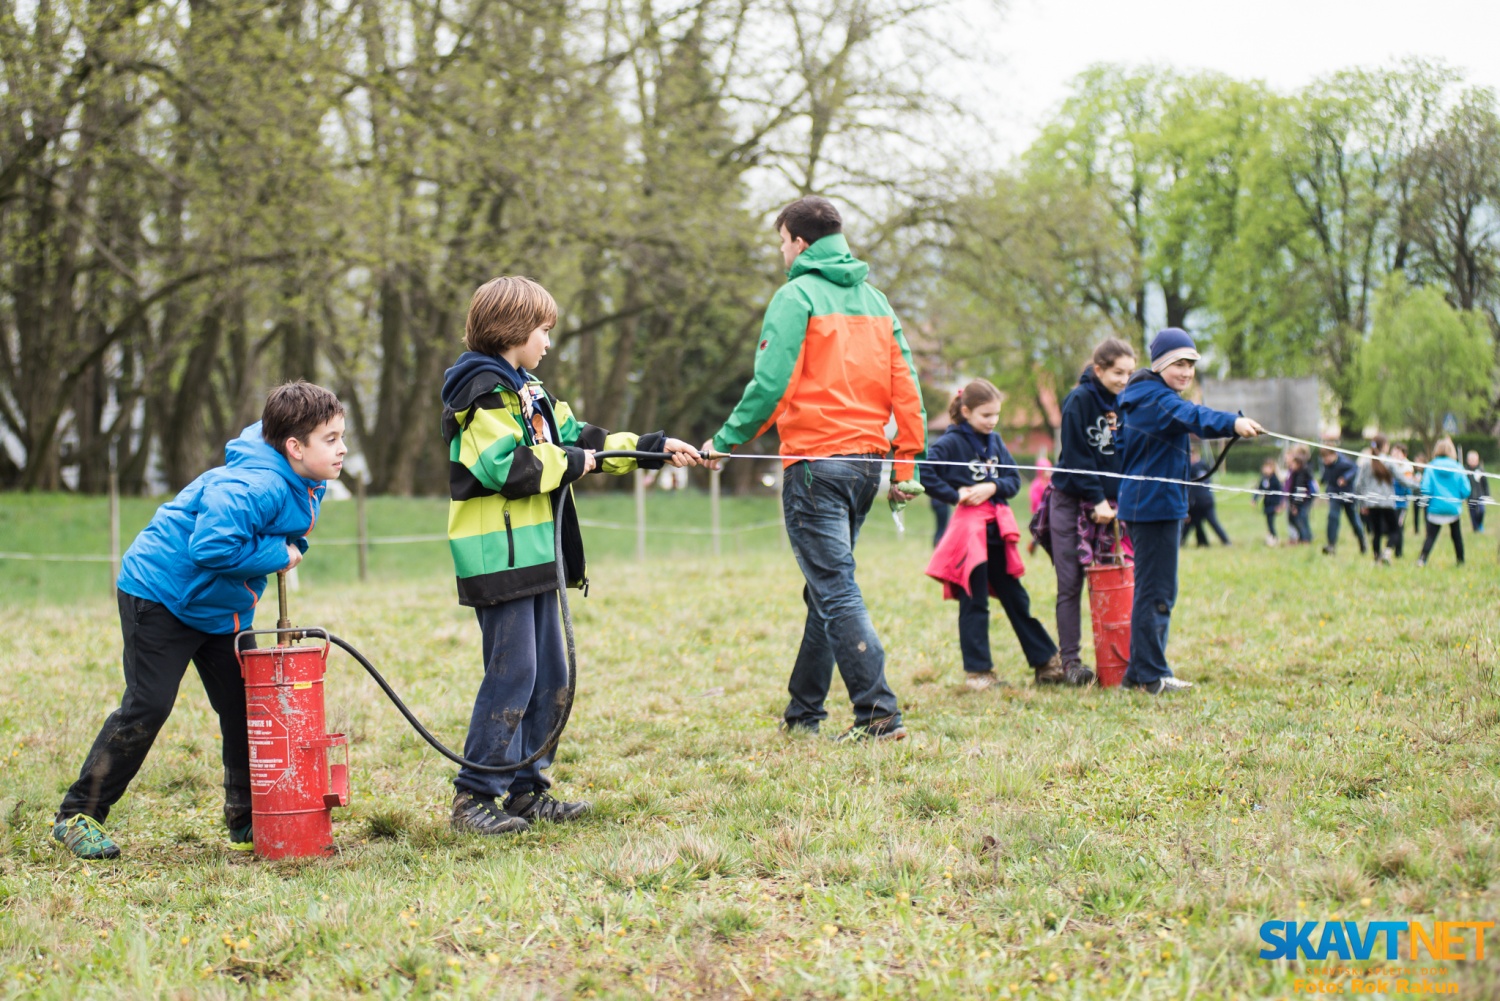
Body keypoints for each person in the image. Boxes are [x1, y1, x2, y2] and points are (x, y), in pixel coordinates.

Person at [441, 276, 700, 835]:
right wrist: (574, 460)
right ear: (512, 329)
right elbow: (507, 468)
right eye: (543, 330)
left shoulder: (527, 389)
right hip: (500, 558)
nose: (548, 343)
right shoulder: (480, 392)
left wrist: (655, 449)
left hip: (538, 555)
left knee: (551, 674)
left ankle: (527, 791)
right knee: (514, 674)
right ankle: (474, 798)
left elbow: (580, 436)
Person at [52, 382, 346, 860]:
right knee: (148, 705)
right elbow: (210, 546)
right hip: (161, 594)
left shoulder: (303, 476)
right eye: (331, 438)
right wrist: (278, 553)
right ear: (295, 446)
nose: (342, 448)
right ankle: (77, 816)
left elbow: (283, 534)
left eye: (341, 436)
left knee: (246, 708)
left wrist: (286, 549)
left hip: (221, 608)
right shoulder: (253, 485)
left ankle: (249, 816)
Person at [702, 196, 925, 741]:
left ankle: (878, 713)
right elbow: (908, 391)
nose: (781, 252)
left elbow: (770, 385)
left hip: (815, 468)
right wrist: (901, 469)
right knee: (823, 588)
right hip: (866, 466)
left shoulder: (794, 295)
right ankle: (804, 713)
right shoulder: (877, 302)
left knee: (835, 587)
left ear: (800, 242)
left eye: (781, 241)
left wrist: (725, 441)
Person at [1115, 328, 1262, 695]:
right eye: (1179, 364)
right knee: (1157, 591)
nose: (1186, 372)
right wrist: (1233, 423)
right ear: (1161, 363)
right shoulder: (1156, 399)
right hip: (1153, 507)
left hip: (1153, 504)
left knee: (1153, 589)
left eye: (1192, 365)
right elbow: (1192, 415)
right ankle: (1152, 676)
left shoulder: (1146, 396)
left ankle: (1138, 673)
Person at [924, 381, 1064, 690]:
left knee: (1016, 598)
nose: (992, 421)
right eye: (986, 415)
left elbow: (1013, 480)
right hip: (968, 534)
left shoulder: (996, 441)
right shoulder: (950, 444)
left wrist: (992, 486)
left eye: (996, 415)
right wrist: (954, 493)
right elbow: (926, 473)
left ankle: (1047, 663)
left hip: (997, 531)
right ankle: (979, 673)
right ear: (966, 411)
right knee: (974, 602)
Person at [1048, 337, 1136, 683]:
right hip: (1072, 501)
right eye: (1118, 372)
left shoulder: (1126, 401)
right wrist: (1096, 498)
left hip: (1114, 507)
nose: (1124, 379)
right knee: (1070, 582)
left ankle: (1122, 656)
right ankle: (1070, 662)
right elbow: (1076, 455)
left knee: (1119, 579)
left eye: (1129, 372)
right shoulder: (1078, 401)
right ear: (1098, 369)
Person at [1417, 438, 1471, 567]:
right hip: (1453, 509)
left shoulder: (1430, 467)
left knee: (1430, 536)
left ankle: (1422, 559)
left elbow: (1425, 489)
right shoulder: (1458, 467)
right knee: (1456, 536)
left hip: (1435, 508)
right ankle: (1461, 560)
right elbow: (1466, 490)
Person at [1356, 434, 1400, 565]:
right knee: (1395, 530)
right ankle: (1387, 551)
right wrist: (1418, 484)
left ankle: (1377, 559)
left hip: (1372, 503)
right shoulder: (1389, 461)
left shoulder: (1366, 462)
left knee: (1377, 532)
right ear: (1385, 446)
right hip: (1387, 503)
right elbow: (1401, 479)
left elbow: (1358, 485)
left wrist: (1363, 503)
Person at [1320, 445, 1366, 555]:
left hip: (1348, 495)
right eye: (1324, 458)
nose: (1325, 461)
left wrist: (1345, 478)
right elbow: (1327, 477)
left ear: (1333, 455)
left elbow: (1355, 468)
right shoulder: (1327, 464)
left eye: (1327, 458)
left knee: (1354, 521)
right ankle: (1331, 545)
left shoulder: (1344, 462)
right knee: (1332, 517)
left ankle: (1362, 541)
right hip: (1334, 495)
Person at [1181, 445, 1231, 546]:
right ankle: (1199, 542)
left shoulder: (1197, 466)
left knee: (1212, 522)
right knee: (1192, 523)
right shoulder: (1196, 466)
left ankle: (1225, 541)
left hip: (1204, 501)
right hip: (1196, 502)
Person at [1285, 447, 1316, 544]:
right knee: (1296, 519)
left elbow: (1300, 490)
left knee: (1301, 519)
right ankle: (1303, 537)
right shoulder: (1295, 473)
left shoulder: (1301, 475)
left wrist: (1295, 505)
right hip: (1297, 501)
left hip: (1302, 501)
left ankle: (1306, 539)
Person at [1025, 455, 1052, 554]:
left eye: (1050, 470)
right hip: (1039, 512)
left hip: (1050, 511)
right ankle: (1032, 546)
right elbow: (1035, 499)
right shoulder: (1036, 484)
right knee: (1039, 532)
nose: (1049, 473)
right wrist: (1041, 508)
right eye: (1046, 471)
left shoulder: (1051, 483)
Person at [1257, 457, 1283, 547]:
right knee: (1268, 522)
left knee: (1271, 522)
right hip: (1266, 505)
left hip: (1273, 505)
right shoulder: (1264, 478)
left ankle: (1274, 537)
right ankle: (1271, 536)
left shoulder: (1275, 480)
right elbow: (1259, 489)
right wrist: (1254, 498)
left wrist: (1279, 505)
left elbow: (1280, 493)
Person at [1464, 450, 1489, 533]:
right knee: (1472, 513)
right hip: (1470, 496)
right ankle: (1475, 528)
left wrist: (1487, 494)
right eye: (1471, 460)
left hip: (1479, 495)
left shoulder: (1481, 470)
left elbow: (1485, 483)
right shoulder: (1466, 471)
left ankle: (1479, 524)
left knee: (1481, 511)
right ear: (1468, 460)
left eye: (1475, 460)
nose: (1473, 462)